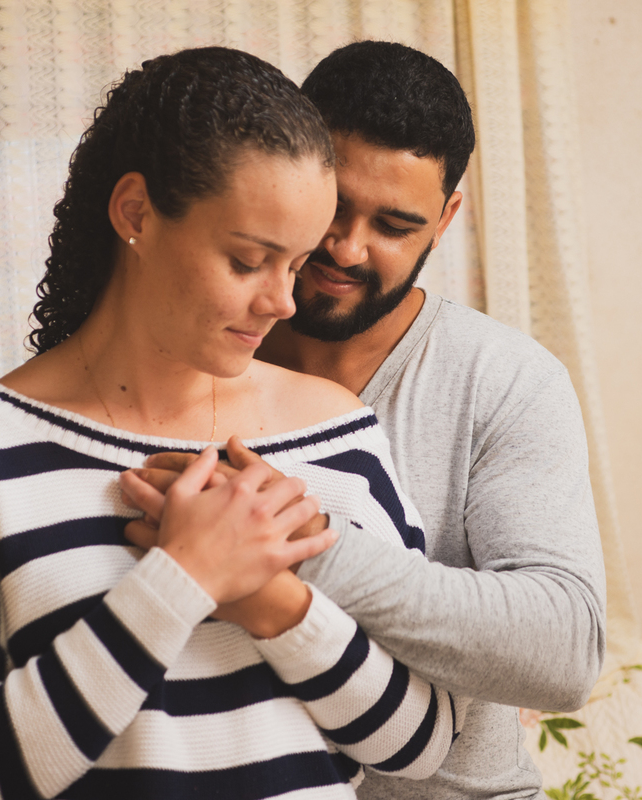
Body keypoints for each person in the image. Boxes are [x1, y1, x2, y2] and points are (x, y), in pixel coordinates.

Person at [0, 47, 462, 800]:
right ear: (136, 212)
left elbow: (420, 743)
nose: (284, 303)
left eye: (294, 264)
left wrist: (274, 604)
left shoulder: (338, 433)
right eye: (248, 260)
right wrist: (182, 580)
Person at [123, 41, 607, 799]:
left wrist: (292, 545)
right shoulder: (187, 357)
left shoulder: (506, 381)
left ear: (446, 219)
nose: (347, 248)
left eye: (394, 224)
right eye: (336, 207)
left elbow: (565, 650)